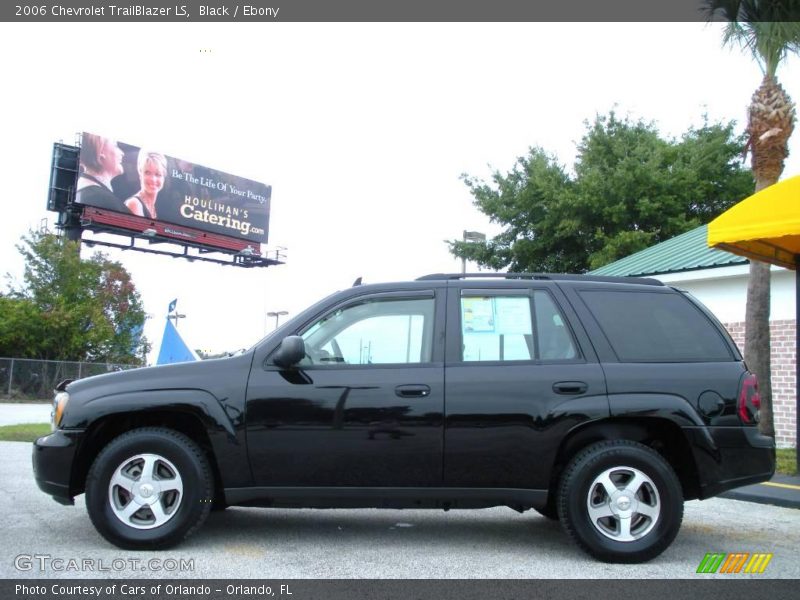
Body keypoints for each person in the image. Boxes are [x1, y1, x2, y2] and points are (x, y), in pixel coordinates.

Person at [75, 133, 126, 212]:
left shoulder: (85, 191)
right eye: (115, 146)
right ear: (101, 151)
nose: (122, 153)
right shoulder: (99, 197)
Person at [125, 151, 167, 219]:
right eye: (147, 173)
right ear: (140, 175)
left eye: (158, 174)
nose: (153, 179)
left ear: (163, 178)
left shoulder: (153, 208)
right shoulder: (134, 204)